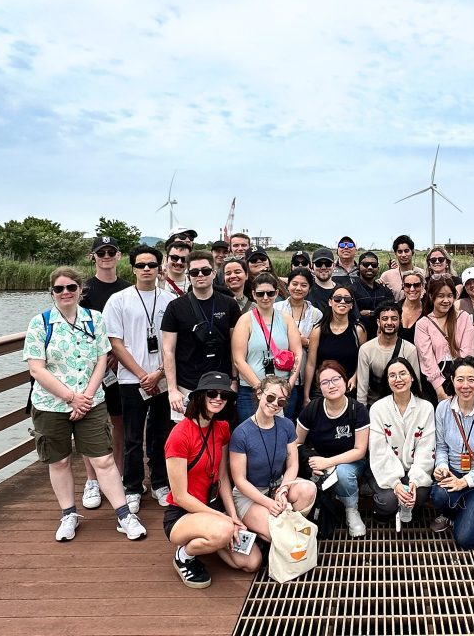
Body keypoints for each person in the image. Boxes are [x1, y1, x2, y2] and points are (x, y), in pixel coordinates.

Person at [23, 266, 146, 542]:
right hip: (50, 404)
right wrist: (70, 398)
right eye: (59, 289)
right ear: (52, 292)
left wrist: (86, 396)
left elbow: (102, 358)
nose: (65, 293)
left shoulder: (95, 319)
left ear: (80, 290)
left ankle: (125, 515)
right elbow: (36, 369)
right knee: (60, 461)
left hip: (91, 401)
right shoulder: (39, 323)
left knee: (103, 458)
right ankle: (68, 514)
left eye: (71, 288)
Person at [164, 372, 261, 589]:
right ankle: (184, 554)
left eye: (223, 395)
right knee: (224, 529)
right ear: (200, 396)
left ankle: (213, 539)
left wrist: (233, 516)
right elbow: (180, 496)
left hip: (213, 506)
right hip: (183, 512)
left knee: (251, 562)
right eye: (212, 393)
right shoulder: (179, 435)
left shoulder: (222, 428)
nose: (218, 398)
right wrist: (224, 519)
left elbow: (223, 477)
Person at [104, 244, 177, 512]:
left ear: (160, 268)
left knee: (160, 434)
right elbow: (115, 342)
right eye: (141, 265)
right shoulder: (119, 300)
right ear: (133, 268)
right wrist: (141, 374)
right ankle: (132, 486)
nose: (146, 269)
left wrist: (158, 373)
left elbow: (174, 343)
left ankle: (160, 482)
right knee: (133, 437)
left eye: (152, 265)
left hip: (163, 378)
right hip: (130, 380)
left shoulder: (170, 300)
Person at [77, 236, 131, 509]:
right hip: (91, 367)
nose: (106, 256)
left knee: (119, 423)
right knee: (91, 423)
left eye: (111, 252)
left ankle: (118, 475)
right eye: (101, 252)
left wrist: (118, 356)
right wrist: (101, 355)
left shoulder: (128, 290)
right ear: (93, 256)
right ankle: (92, 480)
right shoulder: (83, 290)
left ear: (119, 256)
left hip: (119, 367)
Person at [229, 376, 317, 542]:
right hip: (250, 493)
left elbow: (292, 464)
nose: (275, 403)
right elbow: (239, 480)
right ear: (259, 394)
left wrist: (283, 489)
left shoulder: (287, 425)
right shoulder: (241, 433)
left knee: (308, 489)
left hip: (278, 484)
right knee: (281, 533)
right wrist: (268, 503)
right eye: (270, 397)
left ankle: (281, 529)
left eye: (281, 401)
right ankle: (274, 532)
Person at [429, 358, 474, 550]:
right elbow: (441, 446)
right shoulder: (443, 409)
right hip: (453, 471)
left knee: (466, 539)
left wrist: (465, 482)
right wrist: (442, 467)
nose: (465, 386)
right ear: (452, 380)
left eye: (471, 379)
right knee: (438, 495)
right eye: (460, 379)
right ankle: (459, 511)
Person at [161, 251, 242, 424]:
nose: (200, 275)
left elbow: (236, 347)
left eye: (205, 271)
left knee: (221, 435)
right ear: (188, 275)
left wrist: (234, 380)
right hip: (187, 383)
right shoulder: (175, 307)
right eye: (194, 272)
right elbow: (168, 350)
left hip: (221, 383)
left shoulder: (229, 304)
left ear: (213, 273)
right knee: (188, 434)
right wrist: (172, 389)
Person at [296, 360, 371, 537]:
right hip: (320, 464)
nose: (331, 385)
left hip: (351, 462)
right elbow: (295, 442)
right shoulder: (313, 408)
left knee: (343, 473)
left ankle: (351, 510)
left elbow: (360, 450)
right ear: (319, 387)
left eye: (336, 379)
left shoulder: (357, 409)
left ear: (345, 381)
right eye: (325, 382)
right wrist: (312, 460)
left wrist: (328, 463)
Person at [367, 357, 435, 523]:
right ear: (387, 381)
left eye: (403, 373)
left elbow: (426, 449)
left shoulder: (426, 408)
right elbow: (379, 451)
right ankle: (385, 514)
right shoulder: (378, 409)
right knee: (388, 502)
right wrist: (396, 484)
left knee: (416, 496)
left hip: (414, 468)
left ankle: (408, 506)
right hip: (384, 469)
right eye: (392, 375)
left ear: (412, 377)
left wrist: (414, 481)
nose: (398, 379)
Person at [231, 272, 303, 420]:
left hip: (283, 389)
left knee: (282, 435)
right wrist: (260, 388)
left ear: (276, 293)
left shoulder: (286, 319)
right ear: (253, 294)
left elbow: (298, 353)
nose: (265, 297)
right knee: (252, 436)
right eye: (260, 293)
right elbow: (238, 359)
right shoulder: (245, 321)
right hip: (252, 390)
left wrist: (289, 384)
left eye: (270, 293)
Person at [414, 277, 474, 402]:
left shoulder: (463, 318)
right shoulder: (423, 324)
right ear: (431, 296)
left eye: (450, 296)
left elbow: (467, 352)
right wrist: (439, 390)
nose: (446, 300)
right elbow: (427, 359)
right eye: (441, 296)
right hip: (435, 381)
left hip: (462, 378)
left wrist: (461, 383)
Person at [304, 285, 367, 403]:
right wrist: (306, 395)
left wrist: (356, 377)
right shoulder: (318, 330)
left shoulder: (358, 330)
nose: (342, 302)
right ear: (330, 302)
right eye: (337, 298)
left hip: (348, 386)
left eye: (347, 299)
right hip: (322, 387)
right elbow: (311, 364)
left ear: (352, 305)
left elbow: (363, 361)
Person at [274, 267, 323, 406]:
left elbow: (318, 344)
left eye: (303, 285)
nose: (298, 288)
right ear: (288, 285)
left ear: (310, 288)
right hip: (278, 371)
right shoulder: (276, 309)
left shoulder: (316, 314)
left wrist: (306, 342)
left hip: (304, 371)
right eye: (294, 284)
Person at [356, 302, 422, 405]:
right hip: (374, 404)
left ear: (400, 321)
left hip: (402, 405)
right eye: (385, 319)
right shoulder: (366, 349)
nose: (389, 322)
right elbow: (362, 388)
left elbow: (415, 384)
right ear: (378, 322)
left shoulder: (410, 349)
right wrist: (363, 414)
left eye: (394, 319)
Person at [349, 251, 394, 337]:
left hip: (384, 338)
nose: (370, 267)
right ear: (358, 266)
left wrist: (371, 313)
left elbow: (393, 312)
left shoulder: (385, 290)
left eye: (374, 265)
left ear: (378, 267)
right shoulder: (351, 290)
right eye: (366, 264)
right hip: (359, 338)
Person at [379, 234, 424, 300]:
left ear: (413, 252)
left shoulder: (423, 274)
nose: (403, 255)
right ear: (395, 254)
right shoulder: (386, 276)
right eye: (400, 252)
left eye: (406, 251)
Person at [397, 270, 426, 345]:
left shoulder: (428, 311)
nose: (412, 289)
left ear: (422, 286)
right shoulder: (395, 309)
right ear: (403, 287)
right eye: (408, 285)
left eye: (416, 285)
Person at [307, 247, 337, 317]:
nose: (323, 267)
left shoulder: (342, 291)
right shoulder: (305, 290)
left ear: (334, 266)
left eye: (328, 264)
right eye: (318, 264)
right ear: (312, 266)